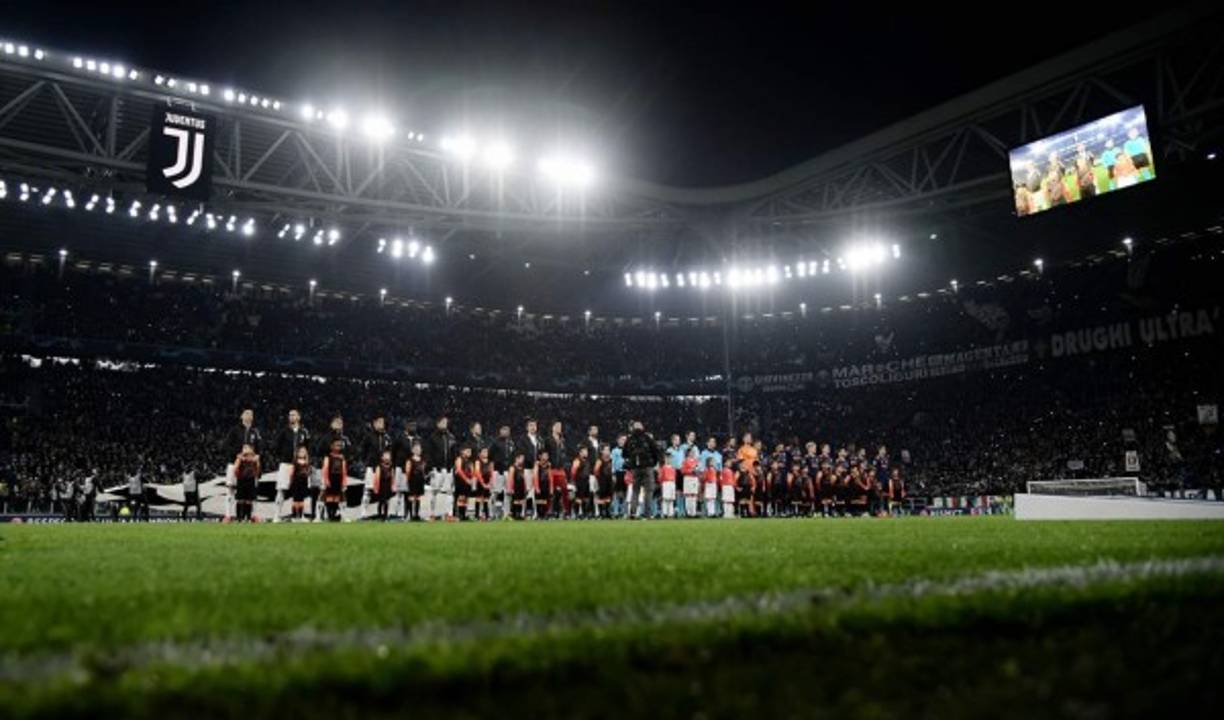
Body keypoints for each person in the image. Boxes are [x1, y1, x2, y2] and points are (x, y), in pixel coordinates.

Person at [222, 409, 262, 521]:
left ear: (252, 417)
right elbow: (226, 445)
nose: (248, 415)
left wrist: (258, 456)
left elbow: (260, 448)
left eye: (251, 414)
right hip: (234, 463)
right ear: (241, 416)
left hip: (250, 467)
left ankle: (253, 515)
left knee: (252, 492)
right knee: (230, 488)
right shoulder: (234, 430)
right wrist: (237, 454)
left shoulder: (255, 432)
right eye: (246, 413)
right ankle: (228, 515)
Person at [272, 409, 310, 523]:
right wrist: (284, 456)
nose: (291, 417)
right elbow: (276, 446)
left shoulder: (304, 432)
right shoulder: (284, 431)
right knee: (281, 489)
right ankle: (277, 515)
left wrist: (305, 462)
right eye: (290, 415)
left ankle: (300, 516)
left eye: (293, 415)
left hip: (300, 465)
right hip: (286, 464)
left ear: (299, 417)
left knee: (300, 491)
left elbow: (307, 448)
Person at [622, 421, 660, 519]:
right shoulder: (647, 437)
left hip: (636, 468)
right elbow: (655, 450)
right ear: (642, 427)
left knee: (635, 490)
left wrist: (632, 460)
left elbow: (624, 453)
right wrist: (653, 462)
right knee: (648, 491)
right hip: (647, 467)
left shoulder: (630, 439)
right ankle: (647, 513)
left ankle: (633, 512)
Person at [361, 415, 393, 520]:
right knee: (368, 490)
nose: (381, 424)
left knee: (384, 491)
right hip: (372, 467)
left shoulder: (387, 437)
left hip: (384, 468)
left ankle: (382, 513)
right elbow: (363, 451)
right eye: (379, 422)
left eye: (382, 422)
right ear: (374, 423)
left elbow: (390, 452)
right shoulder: (368, 436)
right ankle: (363, 513)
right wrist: (367, 463)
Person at [427, 416, 458, 521]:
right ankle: (432, 514)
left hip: (448, 468)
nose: (445, 424)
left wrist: (453, 465)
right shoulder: (433, 437)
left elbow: (454, 452)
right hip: (437, 469)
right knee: (434, 491)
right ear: (438, 424)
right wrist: (431, 467)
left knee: (449, 492)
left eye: (446, 422)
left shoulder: (451, 437)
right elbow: (429, 453)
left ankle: (449, 514)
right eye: (443, 422)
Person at [517, 419, 543, 518]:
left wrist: (540, 462)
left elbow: (542, 453)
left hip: (537, 469)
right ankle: (524, 511)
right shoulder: (523, 439)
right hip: (527, 468)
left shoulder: (539, 439)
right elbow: (522, 453)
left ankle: (536, 512)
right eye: (531, 425)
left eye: (534, 425)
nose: (533, 427)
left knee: (535, 490)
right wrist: (532, 462)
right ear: (527, 427)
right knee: (527, 490)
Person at [489, 426, 515, 520]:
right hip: (497, 471)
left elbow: (513, 457)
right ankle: (491, 514)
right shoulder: (495, 443)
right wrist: (492, 473)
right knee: (495, 493)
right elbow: (490, 458)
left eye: (507, 431)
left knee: (508, 493)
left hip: (507, 471)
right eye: (504, 430)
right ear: (500, 431)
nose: (506, 432)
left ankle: (506, 514)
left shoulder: (511, 443)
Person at [321, 439, 348, 522]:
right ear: (332, 446)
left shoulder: (342, 458)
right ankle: (329, 514)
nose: (338, 447)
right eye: (337, 445)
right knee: (329, 497)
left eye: (340, 445)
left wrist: (344, 482)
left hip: (338, 479)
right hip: (330, 478)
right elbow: (325, 469)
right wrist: (326, 480)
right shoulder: (328, 457)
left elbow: (344, 470)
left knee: (337, 497)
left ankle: (335, 513)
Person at [233, 443, 261, 522]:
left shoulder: (255, 458)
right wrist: (237, 475)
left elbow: (258, 468)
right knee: (240, 499)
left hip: (250, 479)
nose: (246, 450)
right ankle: (239, 518)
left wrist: (256, 474)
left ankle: (248, 517)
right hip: (241, 480)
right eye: (244, 448)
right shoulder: (240, 457)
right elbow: (235, 468)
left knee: (249, 500)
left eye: (247, 448)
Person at [403, 442, 427, 521]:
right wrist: (408, 481)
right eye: (416, 449)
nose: (418, 450)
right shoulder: (410, 460)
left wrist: (424, 477)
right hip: (412, 480)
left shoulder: (422, 460)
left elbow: (423, 470)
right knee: (411, 497)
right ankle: (410, 514)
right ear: (412, 450)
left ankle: (416, 515)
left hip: (420, 481)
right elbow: (407, 471)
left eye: (419, 449)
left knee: (418, 497)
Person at [371, 449, 395, 521]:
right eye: (385, 456)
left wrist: (393, 486)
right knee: (381, 501)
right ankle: (379, 515)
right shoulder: (379, 467)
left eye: (388, 456)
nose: (387, 458)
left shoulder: (391, 467)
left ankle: (385, 515)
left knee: (386, 501)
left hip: (388, 486)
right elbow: (376, 478)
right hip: (381, 485)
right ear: (382, 458)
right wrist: (375, 487)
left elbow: (392, 477)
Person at [454, 445, 477, 521]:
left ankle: (464, 514)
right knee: (461, 497)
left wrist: (472, 479)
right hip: (460, 481)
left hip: (468, 482)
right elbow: (459, 470)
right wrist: (466, 479)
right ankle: (459, 514)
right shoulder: (459, 459)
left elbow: (473, 471)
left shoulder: (470, 462)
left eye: (470, 451)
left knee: (466, 498)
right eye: (467, 451)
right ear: (462, 451)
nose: (469, 453)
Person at [289, 446, 312, 521]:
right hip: (296, 482)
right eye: (301, 451)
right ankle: (294, 516)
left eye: (304, 452)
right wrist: (290, 482)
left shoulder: (307, 463)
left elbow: (308, 472)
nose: (302, 453)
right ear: (298, 453)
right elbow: (292, 473)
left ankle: (301, 516)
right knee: (296, 499)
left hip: (304, 482)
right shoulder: (295, 462)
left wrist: (308, 472)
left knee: (302, 500)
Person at [571, 445, 593, 519]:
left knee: (586, 498)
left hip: (586, 481)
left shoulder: (587, 461)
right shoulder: (577, 461)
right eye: (584, 451)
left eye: (587, 451)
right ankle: (576, 513)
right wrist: (573, 482)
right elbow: (573, 472)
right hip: (579, 481)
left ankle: (584, 513)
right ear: (580, 453)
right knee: (578, 498)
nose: (586, 453)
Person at [594, 445, 614, 518]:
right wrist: (599, 478)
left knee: (609, 495)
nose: (608, 451)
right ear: (602, 451)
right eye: (606, 450)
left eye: (608, 450)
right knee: (601, 495)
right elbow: (595, 471)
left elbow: (612, 469)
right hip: (602, 480)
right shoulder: (599, 460)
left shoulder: (610, 460)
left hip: (609, 479)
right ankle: (601, 512)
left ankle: (608, 512)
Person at [681, 446, 700, 518]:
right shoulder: (685, 461)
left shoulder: (696, 461)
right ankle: (688, 513)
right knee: (688, 495)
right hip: (688, 478)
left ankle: (693, 513)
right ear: (688, 453)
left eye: (693, 452)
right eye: (691, 452)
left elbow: (698, 469)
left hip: (694, 479)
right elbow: (683, 470)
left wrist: (697, 471)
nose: (693, 453)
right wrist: (691, 471)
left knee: (694, 495)